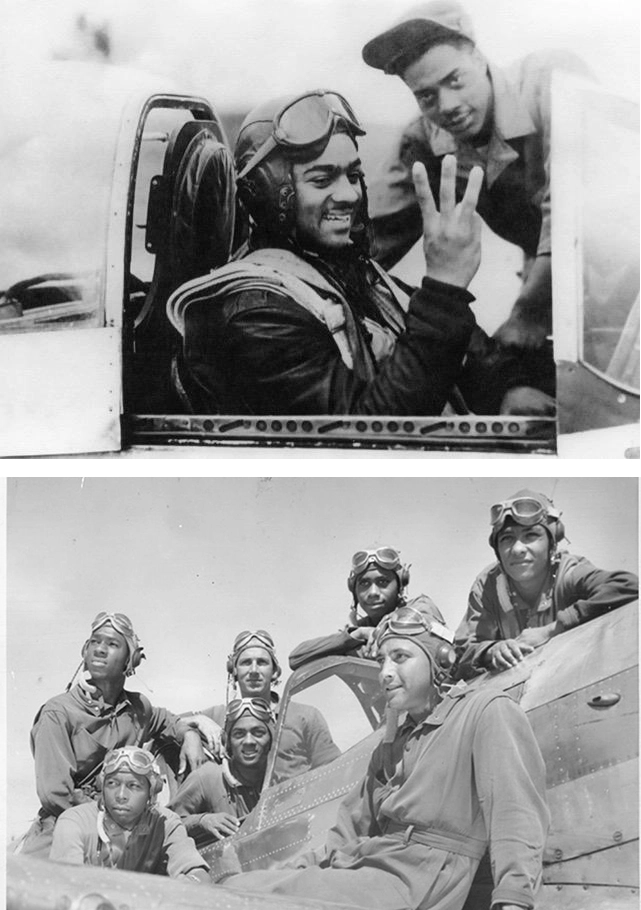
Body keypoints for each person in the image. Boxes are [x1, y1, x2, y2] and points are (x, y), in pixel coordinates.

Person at [167, 89, 535, 416]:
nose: (349, 195)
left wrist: (508, 388)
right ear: (267, 193)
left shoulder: (341, 270)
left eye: (353, 175)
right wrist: (443, 285)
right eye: (322, 179)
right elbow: (368, 431)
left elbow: (457, 344)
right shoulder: (254, 311)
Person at [217, 605, 549, 909]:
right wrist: (290, 871)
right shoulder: (392, 743)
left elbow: (516, 813)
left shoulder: (485, 710)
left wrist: (514, 900)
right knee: (242, 886)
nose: (385, 673)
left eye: (401, 657)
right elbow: (348, 831)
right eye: (382, 661)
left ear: (440, 661)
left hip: (421, 876)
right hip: (373, 863)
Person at [362, 1, 593, 355]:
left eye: (454, 80)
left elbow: (573, 211)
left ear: (478, 58)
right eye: (427, 96)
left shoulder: (550, 81)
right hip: (553, 293)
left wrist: (528, 312)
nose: (447, 105)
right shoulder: (423, 141)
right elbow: (371, 236)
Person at [20, 612, 215, 858]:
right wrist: (112, 820)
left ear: (130, 660)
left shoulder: (137, 708)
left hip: (121, 827)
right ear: (85, 650)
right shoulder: (58, 713)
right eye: (95, 642)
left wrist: (190, 735)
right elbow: (56, 795)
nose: (100, 649)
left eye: (112, 644)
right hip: (66, 828)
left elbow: (167, 721)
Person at [454, 489, 639, 678]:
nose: (517, 549)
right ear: (497, 550)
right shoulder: (489, 586)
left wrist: (552, 630)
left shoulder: (568, 573)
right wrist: (492, 650)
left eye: (531, 535)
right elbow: (462, 652)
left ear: (551, 545)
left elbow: (628, 585)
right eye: (507, 538)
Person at [187, 630, 341, 783]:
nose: (254, 671)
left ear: (274, 672)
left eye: (262, 663)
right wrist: (196, 724)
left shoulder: (305, 716)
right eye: (246, 663)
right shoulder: (218, 716)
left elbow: (333, 771)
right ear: (234, 670)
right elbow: (171, 723)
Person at [49, 746, 209, 882]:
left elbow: (196, 872)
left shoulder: (165, 822)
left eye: (134, 786)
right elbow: (66, 885)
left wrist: (191, 883)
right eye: (112, 783)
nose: (121, 795)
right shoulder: (74, 822)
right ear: (102, 787)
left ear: (151, 793)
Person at [289, 546, 446, 669]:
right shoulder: (359, 633)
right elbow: (296, 657)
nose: (373, 593)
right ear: (354, 590)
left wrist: (380, 632)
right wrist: (356, 635)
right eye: (364, 584)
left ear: (400, 586)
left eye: (383, 582)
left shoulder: (421, 607)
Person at [169, 697, 275, 848]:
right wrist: (202, 821)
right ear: (227, 742)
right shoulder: (207, 777)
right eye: (239, 734)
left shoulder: (281, 775)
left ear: (271, 739)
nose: (249, 741)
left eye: (258, 733)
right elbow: (165, 824)